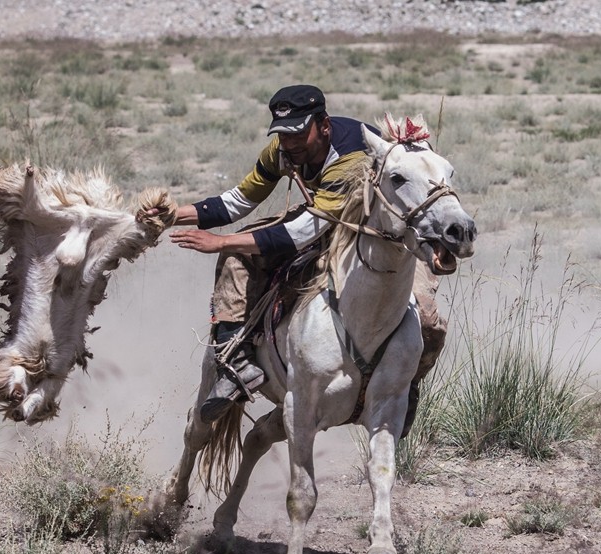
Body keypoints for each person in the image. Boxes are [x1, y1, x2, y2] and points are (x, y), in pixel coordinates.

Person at [169, 84, 446, 425]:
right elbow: (239, 201)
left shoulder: (351, 155)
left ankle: (408, 384)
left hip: (384, 237)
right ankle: (233, 359)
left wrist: (220, 242)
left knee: (429, 319)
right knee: (236, 260)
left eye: (299, 133)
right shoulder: (283, 149)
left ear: (324, 125)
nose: (290, 143)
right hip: (327, 219)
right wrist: (171, 214)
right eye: (283, 134)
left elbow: (303, 231)